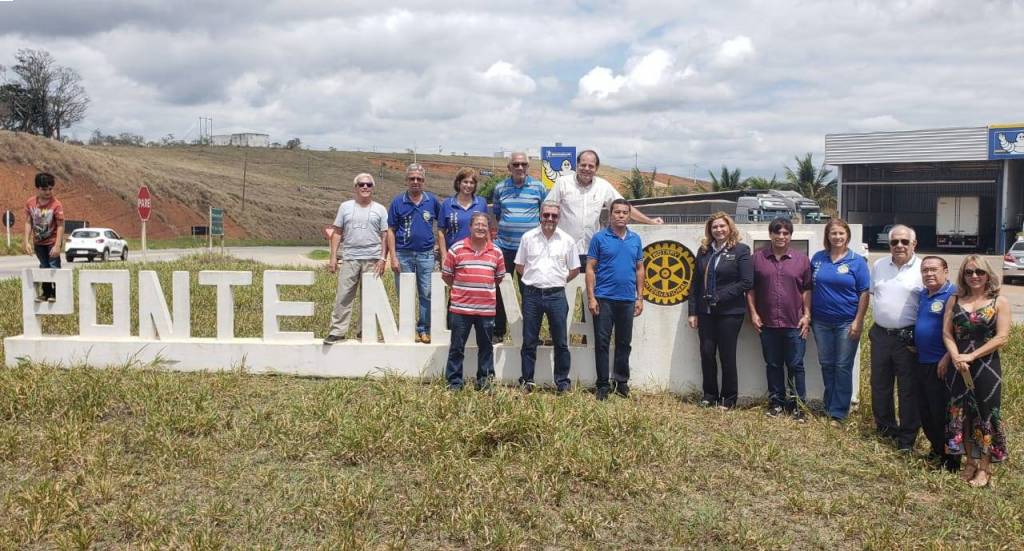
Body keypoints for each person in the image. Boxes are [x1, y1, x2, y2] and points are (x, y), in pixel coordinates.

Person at [942, 255, 1009, 487]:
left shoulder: (999, 301)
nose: (974, 276)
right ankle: (970, 462)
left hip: (986, 366)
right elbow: (947, 333)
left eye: (979, 272)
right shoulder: (954, 299)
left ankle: (984, 468)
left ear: (988, 275)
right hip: (958, 365)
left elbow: (1001, 337)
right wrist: (956, 357)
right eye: (969, 272)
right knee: (962, 414)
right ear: (963, 275)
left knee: (985, 414)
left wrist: (971, 356)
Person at [747, 217, 812, 420]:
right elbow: (750, 289)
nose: (781, 236)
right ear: (770, 235)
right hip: (767, 323)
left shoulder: (802, 260)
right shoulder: (757, 259)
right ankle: (776, 403)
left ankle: (798, 405)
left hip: (795, 322)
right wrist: (753, 313)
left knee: (796, 365)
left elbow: (807, 289)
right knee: (773, 364)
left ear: (791, 236)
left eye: (785, 233)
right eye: (777, 232)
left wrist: (807, 315)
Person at [687, 212, 752, 409]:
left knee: (726, 355)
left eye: (722, 226)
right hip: (706, 312)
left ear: (730, 227)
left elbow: (746, 282)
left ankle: (728, 398)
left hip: (730, 312)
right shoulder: (704, 251)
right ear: (710, 230)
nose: (719, 230)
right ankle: (709, 395)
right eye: (714, 227)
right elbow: (695, 283)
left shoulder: (741, 250)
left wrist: (720, 296)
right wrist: (692, 312)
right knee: (707, 353)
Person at [515, 201, 581, 393]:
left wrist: (557, 280)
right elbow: (519, 265)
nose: (550, 219)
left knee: (561, 341)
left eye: (554, 215)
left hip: (556, 295)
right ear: (540, 215)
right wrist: (534, 279)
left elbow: (575, 269)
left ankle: (562, 382)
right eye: (546, 215)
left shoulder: (567, 240)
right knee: (529, 341)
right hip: (532, 295)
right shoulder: (528, 237)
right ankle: (527, 381)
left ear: (559, 218)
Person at [809, 218, 870, 423]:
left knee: (843, 366)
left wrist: (858, 321)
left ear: (847, 236)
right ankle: (829, 405)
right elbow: (809, 288)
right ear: (827, 236)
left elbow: (864, 293)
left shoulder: (857, 261)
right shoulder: (818, 258)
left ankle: (838, 412)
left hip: (847, 322)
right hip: (820, 322)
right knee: (827, 364)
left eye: (841, 233)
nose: (837, 237)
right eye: (833, 233)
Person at [869, 224, 923, 451]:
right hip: (881, 335)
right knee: (880, 385)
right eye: (894, 242)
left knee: (908, 389)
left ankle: (907, 437)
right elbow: (873, 295)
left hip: (908, 338)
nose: (899, 245)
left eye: (904, 241)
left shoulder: (923, 268)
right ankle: (885, 430)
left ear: (914, 244)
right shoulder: (879, 265)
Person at [586, 199, 644, 400]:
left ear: (629, 216)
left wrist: (640, 297)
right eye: (617, 212)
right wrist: (591, 297)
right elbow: (590, 268)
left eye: (625, 212)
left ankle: (621, 382)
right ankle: (603, 384)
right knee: (602, 343)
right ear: (610, 215)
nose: (621, 215)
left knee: (624, 342)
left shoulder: (635, 239)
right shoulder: (599, 238)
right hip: (604, 298)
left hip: (627, 299)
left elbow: (639, 269)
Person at [441, 212, 506, 391]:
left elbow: (498, 278)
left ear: (489, 229)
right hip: (460, 309)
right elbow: (447, 275)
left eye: (484, 225)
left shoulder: (496, 252)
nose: (480, 228)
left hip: (486, 310)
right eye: (477, 224)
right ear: (470, 227)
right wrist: (463, 289)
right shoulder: (456, 249)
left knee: (486, 347)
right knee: (457, 347)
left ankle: (485, 382)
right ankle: (454, 382)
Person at [323, 173, 389, 344]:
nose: (365, 187)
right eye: (361, 184)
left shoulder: (380, 209)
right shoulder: (345, 207)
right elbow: (337, 232)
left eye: (369, 184)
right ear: (355, 187)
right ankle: (337, 331)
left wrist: (383, 259)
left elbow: (384, 236)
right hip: (350, 258)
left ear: (373, 188)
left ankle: (365, 331)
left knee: (369, 297)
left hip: (372, 259)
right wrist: (333, 257)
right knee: (343, 295)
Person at [491, 152, 547, 342]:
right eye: (516, 164)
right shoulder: (500, 188)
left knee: (530, 292)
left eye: (523, 164)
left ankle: (530, 335)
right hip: (504, 248)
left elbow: (545, 215)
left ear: (528, 167)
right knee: (500, 290)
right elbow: (498, 214)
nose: (520, 167)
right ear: (509, 167)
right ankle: (498, 331)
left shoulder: (539, 187)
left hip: (530, 250)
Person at [913, 256, 959, 471]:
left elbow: (958, 332)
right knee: (926, 411)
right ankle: (937, 448)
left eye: (933, 269)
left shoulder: (953, 295)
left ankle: (951, 459)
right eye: (925, 270)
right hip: (921, 361)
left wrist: (947, 357)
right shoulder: (924, 294)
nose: (929, 274)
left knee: (942, 413)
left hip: (940, 364)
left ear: (946, 271)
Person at [388, 163, 441, 344]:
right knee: (405, 294)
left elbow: (442, 225)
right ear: (406, 180)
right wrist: (393, 257)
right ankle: (407, 329)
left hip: (426, 255)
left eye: (419, 179)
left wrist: (438, 246)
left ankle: (424, 329)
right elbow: (391, 230)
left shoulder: (431, 201)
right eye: (412, 178)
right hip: (403, 255)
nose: (415, 181)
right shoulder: (397, 202)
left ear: (424, 181)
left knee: (426, 293)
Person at [23, 172, 64, 302]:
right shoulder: (30, 203)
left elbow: (61, 225)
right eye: (44, 189)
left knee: (53, 266)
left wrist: (57, 245)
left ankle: (56, 293)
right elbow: (28, 222)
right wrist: (26, 241)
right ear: (37, 188)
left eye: (50, 189)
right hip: (39, 242)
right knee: (44, 266)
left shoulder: (56, 204)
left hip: (52, 242)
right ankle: (46, 292)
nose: (48, 192)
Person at [437, 167, 488, 265]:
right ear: (458, 183)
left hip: (477, 254)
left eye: (472, 182)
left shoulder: (481, 203)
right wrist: (444, 255)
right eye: (465, 182)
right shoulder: (447, 204)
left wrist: (488, 250)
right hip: (454, 254)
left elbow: (486, 230)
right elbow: (441, 232)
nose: (468, 185)